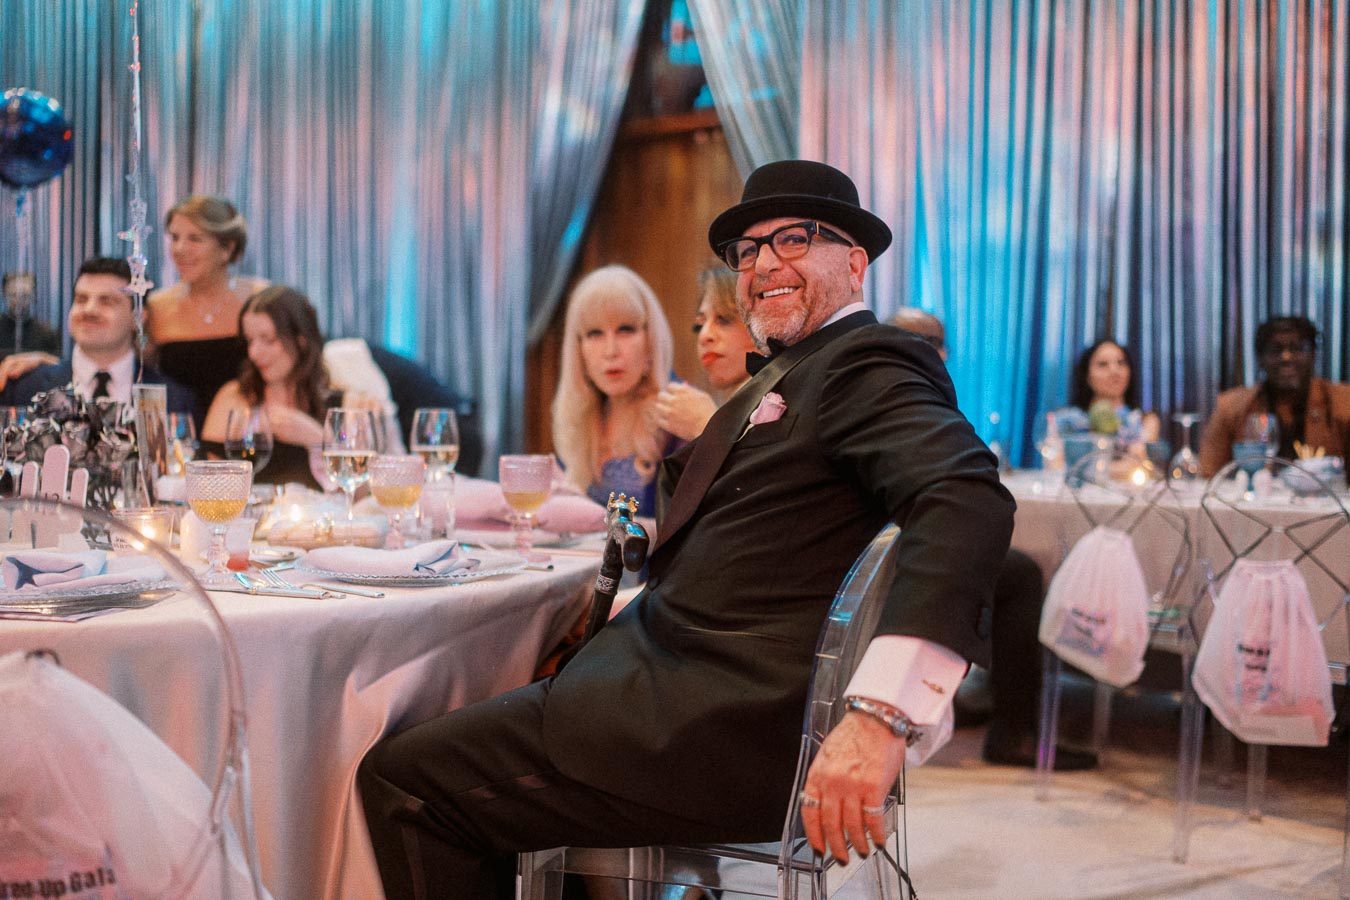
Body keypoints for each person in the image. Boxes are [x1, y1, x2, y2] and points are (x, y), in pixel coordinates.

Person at [357, 159, 1015, 898]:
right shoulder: (797, 370)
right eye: (748, 250)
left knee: (404, 782)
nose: (764, 264)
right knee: (479, 701)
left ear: (855, 263)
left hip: (723, 729)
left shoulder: (866, 362)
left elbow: (966, 496)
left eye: (794, 239)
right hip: (686, 693)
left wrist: (881, 715)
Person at [891, 307, 1096, 770]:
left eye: (930, 343)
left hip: (908, 536)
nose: (922, 351)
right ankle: (1013, 732)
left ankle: (966, 698)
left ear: (944, 353)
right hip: (890, 550)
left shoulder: (914, 391)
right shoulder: (902, 393)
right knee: (1019, 574)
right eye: (911, 340)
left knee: (1003, 558)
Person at [200, 285, 379, 490]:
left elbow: (362, 494)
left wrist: (318, 438)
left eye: (268, 340)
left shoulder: (345, 405)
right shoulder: (234, 397)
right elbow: (208, 484)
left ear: (301, 341)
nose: (254, 353)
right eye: (250, 341)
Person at [551, 264, 676, 514]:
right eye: (595, 333)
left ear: (651, 339)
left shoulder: (675, 413)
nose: (611, 351)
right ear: (578, 349)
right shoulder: (579, 417)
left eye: (625, 330)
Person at [0, 256, 193, 413]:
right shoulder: (21, 390)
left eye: (106, 301)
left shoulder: (175, 400)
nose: (89, 310)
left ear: (138, 317)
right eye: (81, 299)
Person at [146, 195, 270, 426]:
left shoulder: (261, 300)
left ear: (227, 248)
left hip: (249, 430)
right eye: (175, 238)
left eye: (194, 239)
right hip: (181, 437)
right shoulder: (156, 306)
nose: (179, 249)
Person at [1199, 315, 1350, 475]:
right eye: (1275, 350)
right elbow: (1208, 473)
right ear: (1260, 358)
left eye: (1297, 348)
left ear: (1313, 354)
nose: (1286, 357)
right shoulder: (1232, 406)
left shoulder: (1343, 402)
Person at [653, 265, 759, 441]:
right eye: (700, 324)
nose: (704, 335)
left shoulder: (781, 401)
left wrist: (705, 425)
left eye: (723, 319)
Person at [1059, 339, 1160, 444]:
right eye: (1103, 364)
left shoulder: (1144, 421)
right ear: (1087, 375)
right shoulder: (1067, 421)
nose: (1114, 371)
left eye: (1121, 363)